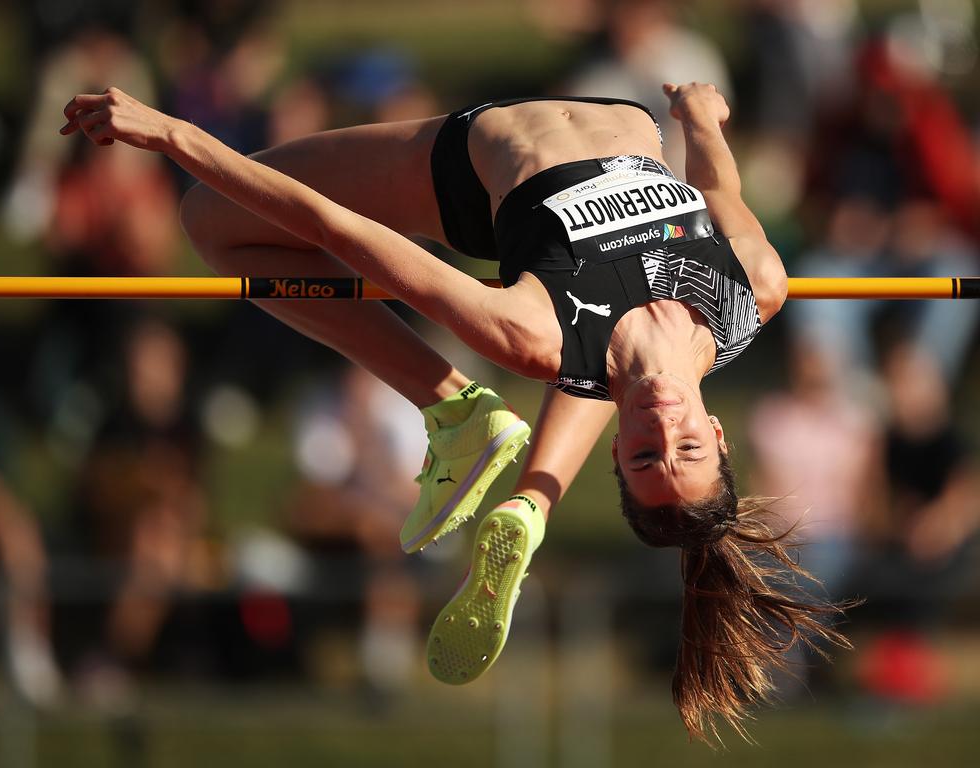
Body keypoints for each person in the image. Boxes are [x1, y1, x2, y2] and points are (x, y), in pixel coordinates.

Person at [60, 82, 850, 741]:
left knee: (209, 221)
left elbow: (335, 229)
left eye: (645, 457)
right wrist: (703, 120)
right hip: (624, 112)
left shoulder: (537, 334)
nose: (661, 431)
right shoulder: (753, 293)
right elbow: (725, 196)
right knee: (605, 367)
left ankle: (450, 405)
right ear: (717, 434)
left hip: (472, 163)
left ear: (617, 454)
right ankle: (506, 473)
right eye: (687, 451)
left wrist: (173, 134)